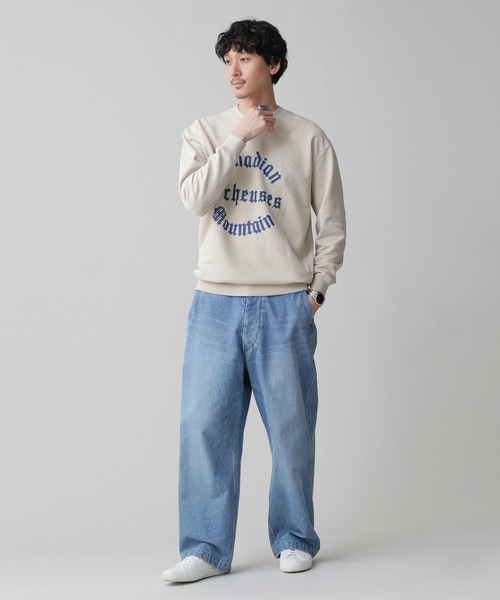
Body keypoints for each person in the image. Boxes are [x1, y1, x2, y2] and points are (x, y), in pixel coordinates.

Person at [162, 18, 346, 584]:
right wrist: (238, 136)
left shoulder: (308, 138)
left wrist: (315, 292)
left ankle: (294, 538)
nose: (234, 70)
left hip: (284, 303)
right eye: (228, 60)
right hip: (214, 303)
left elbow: (331, 223)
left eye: (245, 58)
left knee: (291, 430)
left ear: (274, 65)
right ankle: (204, 548)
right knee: (203, 427)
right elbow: (194, 199)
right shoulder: (205, 131)